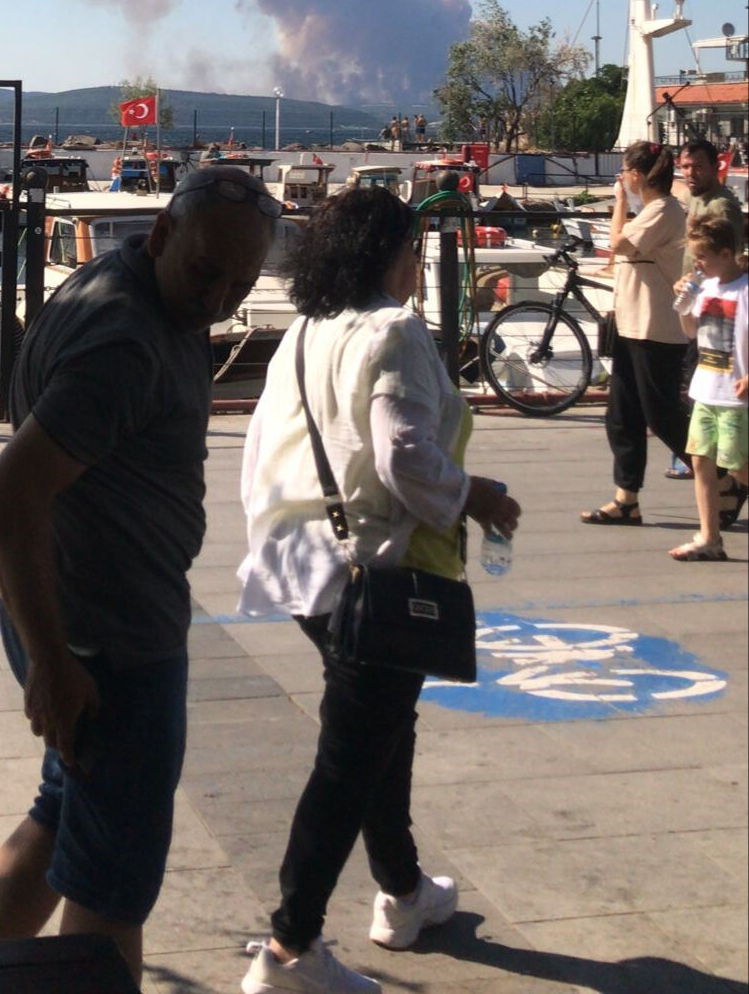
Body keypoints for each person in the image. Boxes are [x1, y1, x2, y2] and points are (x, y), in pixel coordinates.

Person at [0, 167, 277, 983]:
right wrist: (56, 664)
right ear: (165, 234)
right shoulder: (126, 342)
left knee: (65, 816)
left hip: (74, 619)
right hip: (107, 646)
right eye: (207, 272)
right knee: (110, 892)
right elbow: (6, 498)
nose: (218, 299)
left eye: (240, 284)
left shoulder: (114, 276)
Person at [238, 186, 520, 993]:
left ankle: (402, 893)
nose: (418, 264)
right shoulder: (393, 331)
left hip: (300, 567)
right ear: (389, 255)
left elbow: (262, 448)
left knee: (379, 734)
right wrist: (481, 496)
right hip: (378, 567)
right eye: (413, 249)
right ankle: (288, 951)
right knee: (349, 759)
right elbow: (405, 458)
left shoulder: (303, 330)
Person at [581, 140, 688, 526]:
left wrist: (620, 201)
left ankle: (727, 477)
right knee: (622, 414)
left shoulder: (662, 210)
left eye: (625, 172)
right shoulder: (653, 211)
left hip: (655, 327)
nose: (622, 178)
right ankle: (627, 498)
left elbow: (617, 242)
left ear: (637, 176)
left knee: (662, 416)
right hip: (632, 324)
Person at [665, 139, 745, 481]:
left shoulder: (721, 207)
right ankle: (710, 469)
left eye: (698, 166)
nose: (690, 172)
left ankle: (722, 474)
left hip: (717, 309)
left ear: (716, 168)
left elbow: (734, 257)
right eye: (685, 166)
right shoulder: (695, 199)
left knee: (697, 387)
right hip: (700, 301)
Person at [670, 215, 748, 560]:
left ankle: (710, 536)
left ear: (727, 253)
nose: (698, 264)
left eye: (703, 256)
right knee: (701, 461)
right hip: (706, 387)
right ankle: (709, 536)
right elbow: (691, 331)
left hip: (735, 394)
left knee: (739, 467)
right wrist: (684, 302)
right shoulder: (707, 288)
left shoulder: (744, 289)